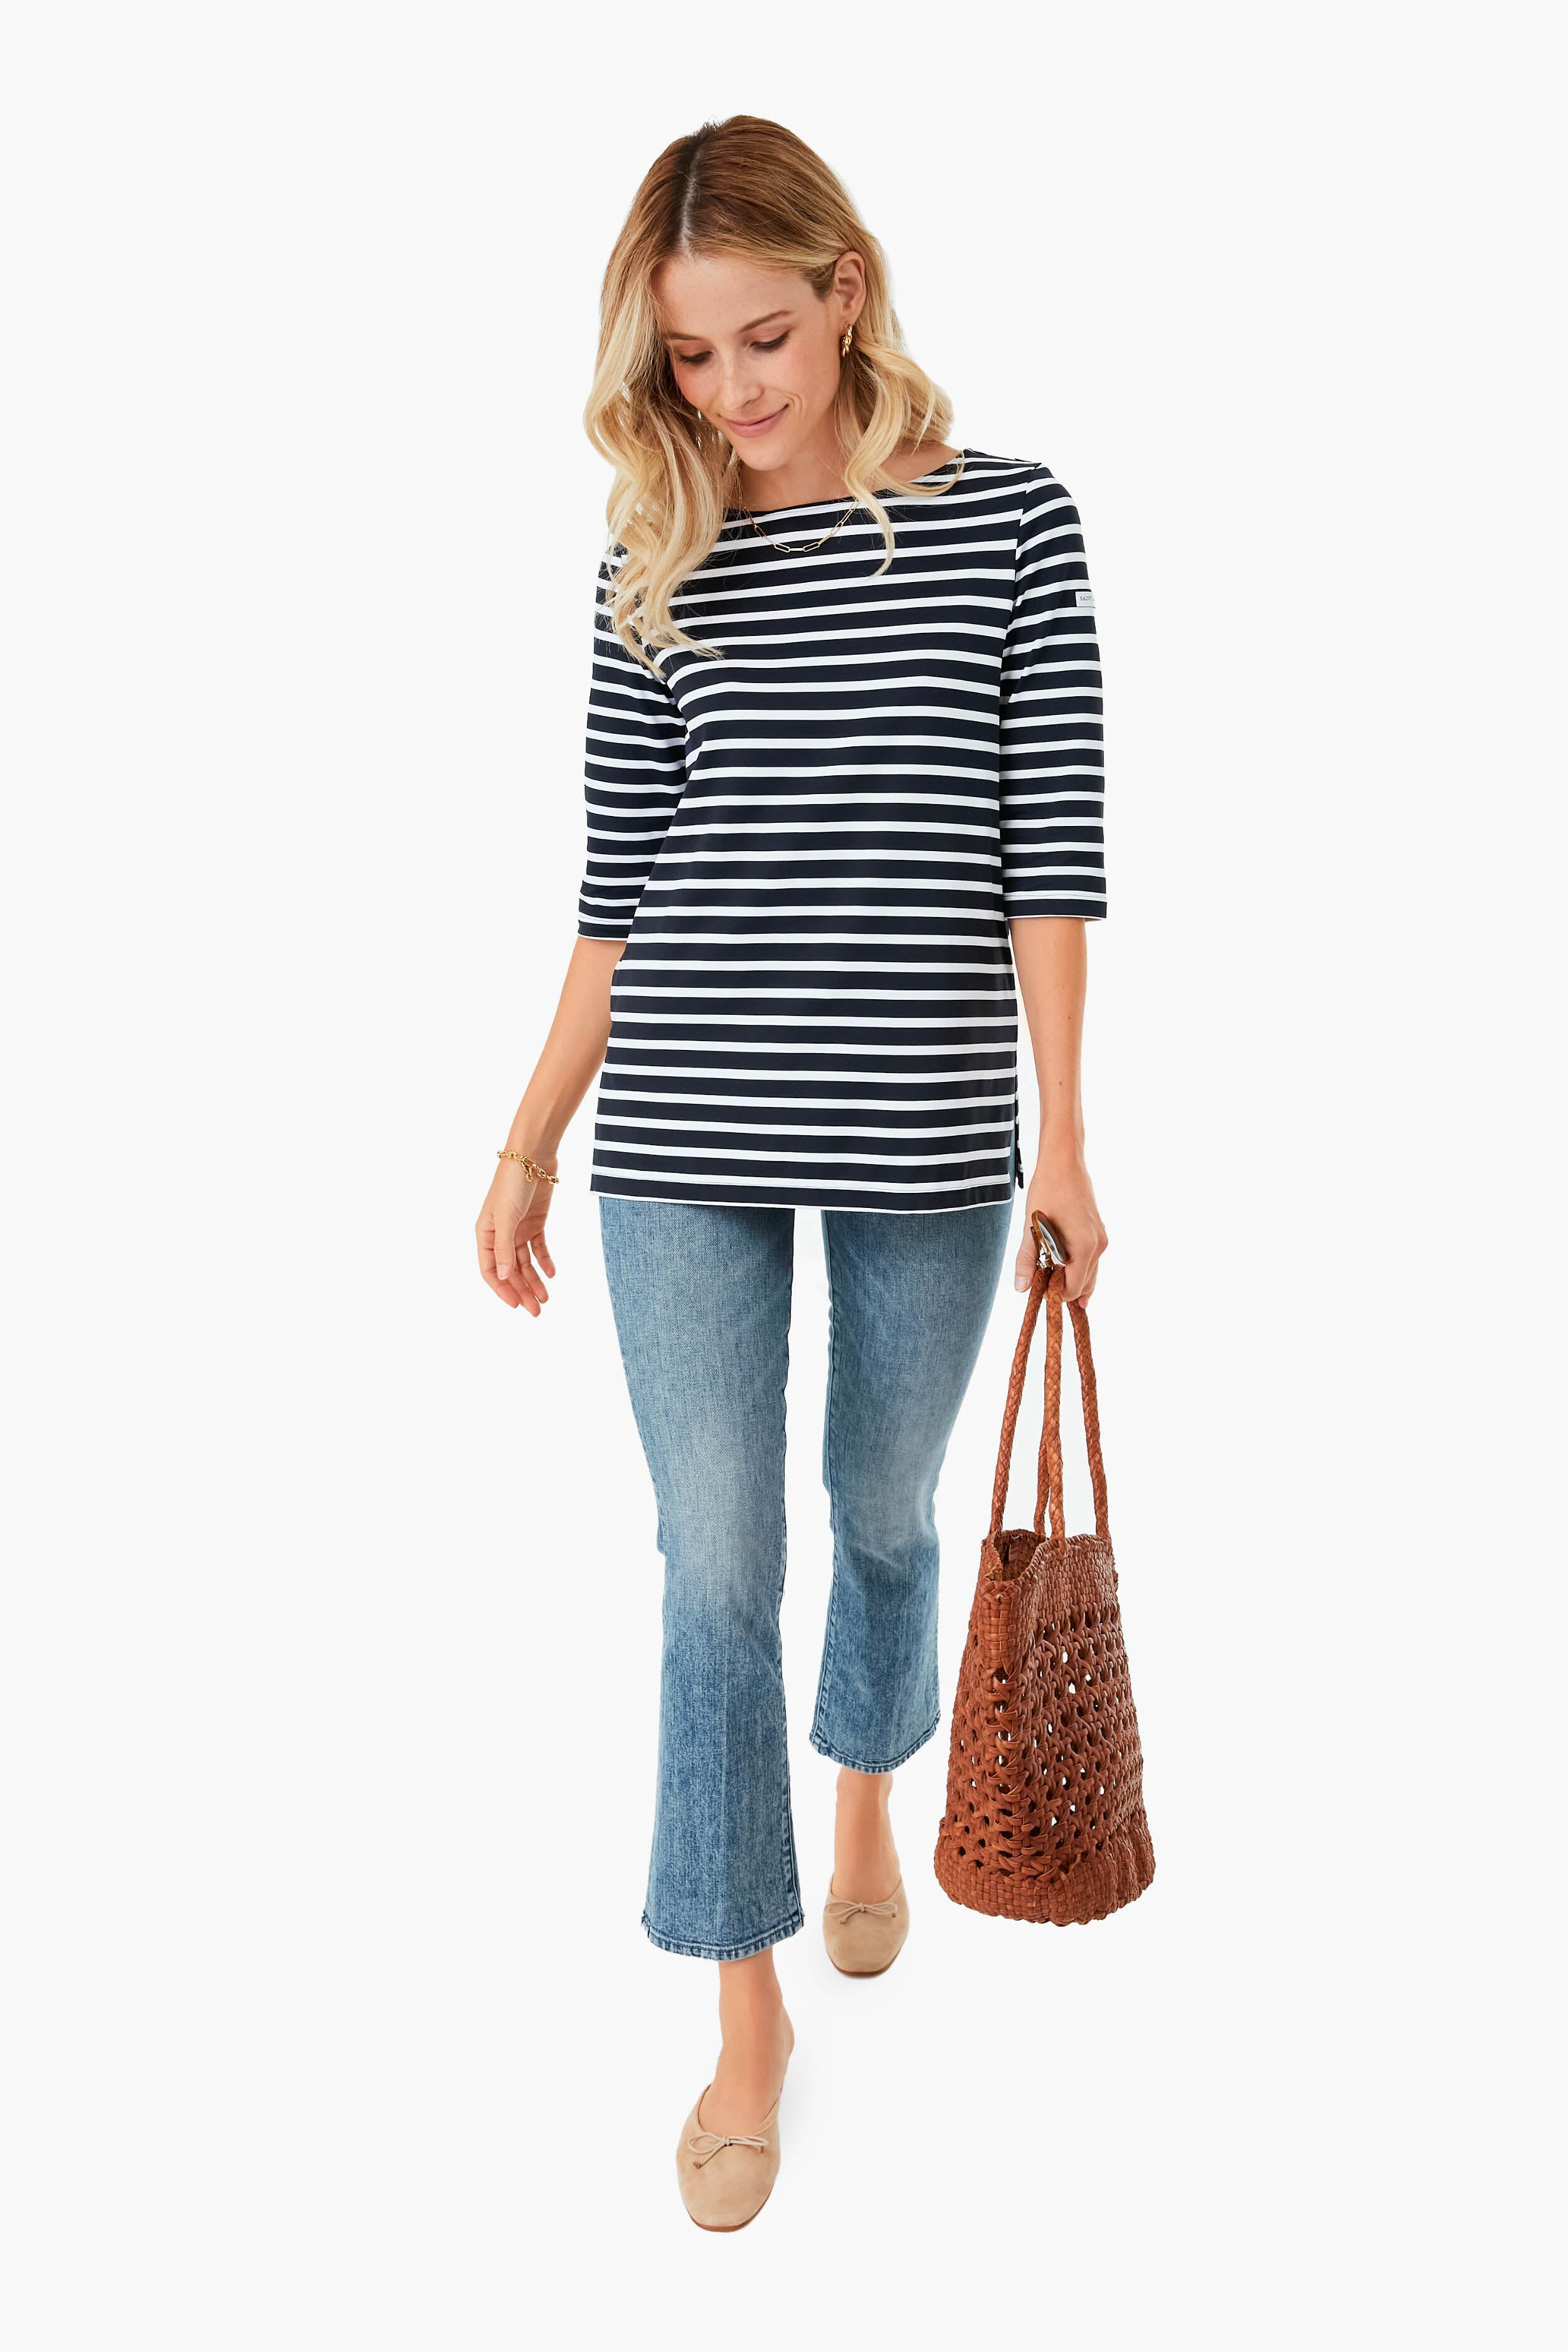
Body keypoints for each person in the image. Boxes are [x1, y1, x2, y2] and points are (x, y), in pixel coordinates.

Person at [474, 114, 1109, 2231]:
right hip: (680, 1134)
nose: (730, 388)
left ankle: (865, 1796)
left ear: (844, 293)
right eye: (688, 355)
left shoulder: (1008, 523)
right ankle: (742, 2016)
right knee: (714, 1567)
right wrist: (527, 1135)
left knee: (883, 1511)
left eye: (763, 335)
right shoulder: (650, 559)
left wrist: (1066, 1137)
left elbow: (1048, 855)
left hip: (926, 1128)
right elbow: (615, 898)